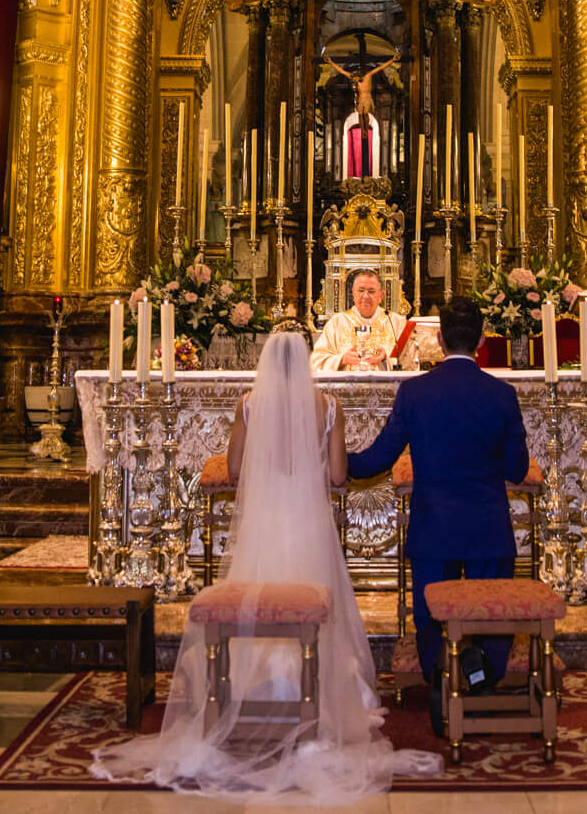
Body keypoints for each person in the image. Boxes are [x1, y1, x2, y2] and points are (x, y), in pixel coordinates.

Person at [91, 335, 440, 799]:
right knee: (311, 606)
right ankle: (314, 695)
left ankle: (249, 686)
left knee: (255, 597)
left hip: (262, 526)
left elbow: (234, 470)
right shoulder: (328, 405)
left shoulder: (249, 404)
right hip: (309, 526)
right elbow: (338, 476)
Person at [346, 297, 531, 736]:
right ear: (482, 341)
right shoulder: (502, 395)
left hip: (434, 529)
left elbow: (376, 460)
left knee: (430, 616)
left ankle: (442, 670)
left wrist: (333, 458)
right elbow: (518, 469)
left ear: (441, 340)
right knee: (494, 610)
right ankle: (483, 667)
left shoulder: (414, 391)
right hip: (488, 530)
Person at [309, 269, 408, 371]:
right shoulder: (337, 323)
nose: (365, 296)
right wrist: (342, 359)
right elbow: (316, 361)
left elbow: (411, 363)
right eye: (361, 290)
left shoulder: (396, 323)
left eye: (371, 291)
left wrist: (385, 359)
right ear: (353, 293)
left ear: (381, 296)